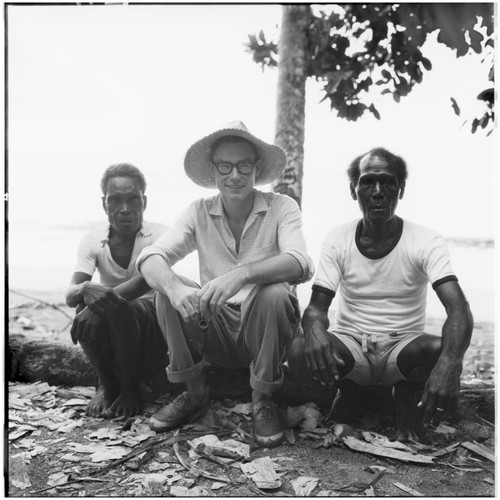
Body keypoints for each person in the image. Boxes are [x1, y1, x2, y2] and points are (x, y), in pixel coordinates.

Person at [136, 121, 314, 447]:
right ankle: (194, 391)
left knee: (274, 293)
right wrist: (175, 289)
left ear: (256, 168)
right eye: (225, 166)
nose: (235, 175)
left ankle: (262, 398)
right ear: (214, 170)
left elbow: (302, 264)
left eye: (244, 165)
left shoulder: (281, 207)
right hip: (213, 326)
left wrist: (243, 273)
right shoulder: (198, 211)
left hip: (263, 330)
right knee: (166, 291)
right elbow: (151, 257)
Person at [292, 147, 473, 440]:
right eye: (367, 182)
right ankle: (349, 391)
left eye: (388, 182)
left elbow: (458, 308)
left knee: (442, 349)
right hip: (351, 348)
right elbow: (316, 309)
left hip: (403, 349)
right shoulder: (339, 238)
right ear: (354, 190)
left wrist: (452, 362)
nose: (378, 191)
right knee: (300, 349)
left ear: (400, 189)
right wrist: (313, 328)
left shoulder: (425, 240)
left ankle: (405, 399)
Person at [66, 163, 168, 419]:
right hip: (114, 325)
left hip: (152, 325)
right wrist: (87, 289)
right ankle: (107, 385)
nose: (125, 209)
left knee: (125, 305)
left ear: (144, 201)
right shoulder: (93, 240)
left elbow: (147, 280)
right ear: (105, 204)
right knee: (83, 306)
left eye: (132, 199)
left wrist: (103, 301)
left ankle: (130, 388)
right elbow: (70, 295)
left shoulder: (161, 235)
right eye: (116, 200)